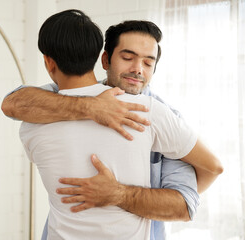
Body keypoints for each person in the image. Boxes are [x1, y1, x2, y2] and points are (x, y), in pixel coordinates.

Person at [15, 9, 223, 240]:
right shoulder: (55, 99)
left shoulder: (156, 114)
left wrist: (120, 195)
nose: (137, 69)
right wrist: (91, 107)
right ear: (104, 59)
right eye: (127, 57)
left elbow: (187, 201)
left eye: (148, 62)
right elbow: (13, 103)